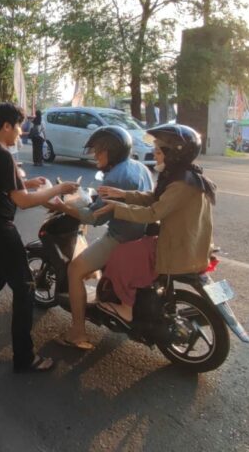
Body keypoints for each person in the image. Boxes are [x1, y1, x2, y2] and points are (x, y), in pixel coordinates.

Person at [0, 103, 79, 373]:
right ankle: (24, 357)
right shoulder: (2, 155)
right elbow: (22, 202)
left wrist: (28, 183)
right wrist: (58, 188)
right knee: (26, 289)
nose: (21, 132)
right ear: (7, 125)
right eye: (19, 126)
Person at [92, 124, 216, 328]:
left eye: (158, 152)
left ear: (173, 155)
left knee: (120, 255)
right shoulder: (183, 176)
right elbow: (155, 198)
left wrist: (117, 208)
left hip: (177, 247)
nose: (155, 155)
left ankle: (126, 307)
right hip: (185, 241)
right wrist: (123, 195)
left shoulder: (180, 183)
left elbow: (153, 213)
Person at [46, 126, 154, 350]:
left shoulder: (114, 176)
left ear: (112, 152)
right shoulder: (138, 167)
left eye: (99, 150)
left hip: (120, 238)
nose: (95, 154)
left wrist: (61, 206)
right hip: (140, 236)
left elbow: (93, 218)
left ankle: (77, 333)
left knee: (74, 270)